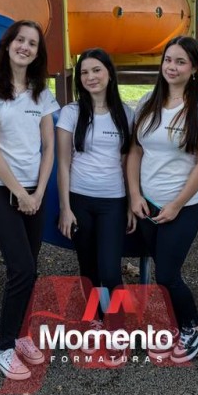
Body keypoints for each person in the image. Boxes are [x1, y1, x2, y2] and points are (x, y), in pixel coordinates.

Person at [126, 35, 198, 364]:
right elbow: (135, 150)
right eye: (168, 60)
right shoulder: (147, 101)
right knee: (160, 266)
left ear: (193, 69)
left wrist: (177, 204)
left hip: (184, 205)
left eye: (181, 62)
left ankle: (194, 327)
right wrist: (134, 194)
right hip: (148, 203)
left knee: (167, 274)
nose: (172, 67)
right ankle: (174, 322)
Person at [0, 20, 59, 381]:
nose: (25, 47)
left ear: (38, 53)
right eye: (20, 40)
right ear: (8, 45)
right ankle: (5, 346)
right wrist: (21, 194)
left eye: (32, 43)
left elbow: (49, 147)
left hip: (34, 191)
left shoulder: (42, 93)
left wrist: (38, 191)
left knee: (31, 267)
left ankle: (23, 334)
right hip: (1, 189)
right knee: (21, 268)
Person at [56, 48, 134, 360]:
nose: (90, 77)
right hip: (79, 200)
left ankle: (117, 328)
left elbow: (128, 162)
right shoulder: (71, 112)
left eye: (96, 70)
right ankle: (94, 322)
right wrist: (65, 208)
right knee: (87, 268)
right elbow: (63, 164)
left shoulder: (126, 113)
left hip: (113, 201)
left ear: (109, 74)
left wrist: (131, 202)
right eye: (85, 72)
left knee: (110, 271)